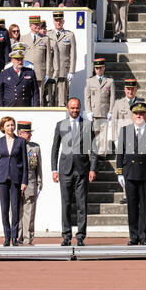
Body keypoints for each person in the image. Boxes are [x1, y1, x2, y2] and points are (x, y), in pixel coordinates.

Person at [51, 97, 98, 247]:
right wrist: (54, 169)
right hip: (65, 170)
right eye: (72, 108)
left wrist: (92, 168)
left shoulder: (87, 125)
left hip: (82, 170)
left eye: (77, 108)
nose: (75, 110)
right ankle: (66, 235)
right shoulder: (60, 125)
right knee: (65, 204)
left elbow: (94, 149)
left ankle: (80, 236)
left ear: (80, 108)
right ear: (67, 108)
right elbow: (55, 148)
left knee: (81, 204)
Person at [116, 101, 146, 245]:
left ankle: (143, 237)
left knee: (145, 206)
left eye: (142, 113)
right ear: (132, 115)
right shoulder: (125, 131)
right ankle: (133, 236)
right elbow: (120, 153)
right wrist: (119, 172)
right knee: (132, 206)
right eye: (136, 113)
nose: (139, 116)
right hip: (130, 172)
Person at [0, 116, 28, 246]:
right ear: (3, 127)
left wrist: (24, 181)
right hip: (2, 179)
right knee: (4, 209)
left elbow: (25, 162)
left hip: (16, 179)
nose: (11, 127)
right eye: (8, 125)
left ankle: (14, 237)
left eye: (12, 125)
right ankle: (7, 237)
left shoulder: (20, 142)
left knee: (15, 208)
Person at [111, 78, 145, 204]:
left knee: (139, 166)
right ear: (125, 90)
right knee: (125, 167)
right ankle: (127, 194)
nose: (130, 91)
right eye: (128, 89)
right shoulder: (118, 104)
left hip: (139, 139)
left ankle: (139, 192)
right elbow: (114, 122)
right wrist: (115, 139)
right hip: (124, 141)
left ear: (136, 89)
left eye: (133, 89)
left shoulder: (141, 103)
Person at [17, 121, 43, 245]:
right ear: (20, 133)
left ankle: (28, 238)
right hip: (16, 184)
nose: (30, 135)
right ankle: (17, 237)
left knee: (29, 213)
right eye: (27, 133)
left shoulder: (35, 147)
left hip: (31, 183)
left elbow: (39, 168)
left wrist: (39, 183)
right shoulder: (13, 145)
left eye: (29, 133)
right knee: (17, 212)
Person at [84, 58, 115, 157]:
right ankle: (94, 153)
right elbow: (87, 97)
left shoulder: (109, 81)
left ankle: (102, 154)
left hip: (105, 111)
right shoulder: (90, 81)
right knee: (94, 133)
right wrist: (88, 111)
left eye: (100, 68)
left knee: (103, 134)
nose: (99, 70)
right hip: (94, 112)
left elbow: (112, 97)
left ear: (104, 68)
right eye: (97, 68)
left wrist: (111, 111)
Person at [21, 16, 54, 106]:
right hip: (27, 72)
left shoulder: (45, 38)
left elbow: (48, 58)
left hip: (40, 72)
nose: (37, 26)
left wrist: (48, 73)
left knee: (39, 98)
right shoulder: (24, 38)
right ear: (30, 26)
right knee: (26, 96)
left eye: (38, 24)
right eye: (35, 25)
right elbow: (21, 55)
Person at [47, 11, 76, 107]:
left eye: (60, 20)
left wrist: (71, 71)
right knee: (49, 97)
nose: (58, 22)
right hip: (51, 70)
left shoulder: (69, 35)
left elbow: (73, 54)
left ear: (63, 21)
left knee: (62, 99)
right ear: (53, 21)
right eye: (56, 21)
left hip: (64, 70)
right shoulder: (48, 35)